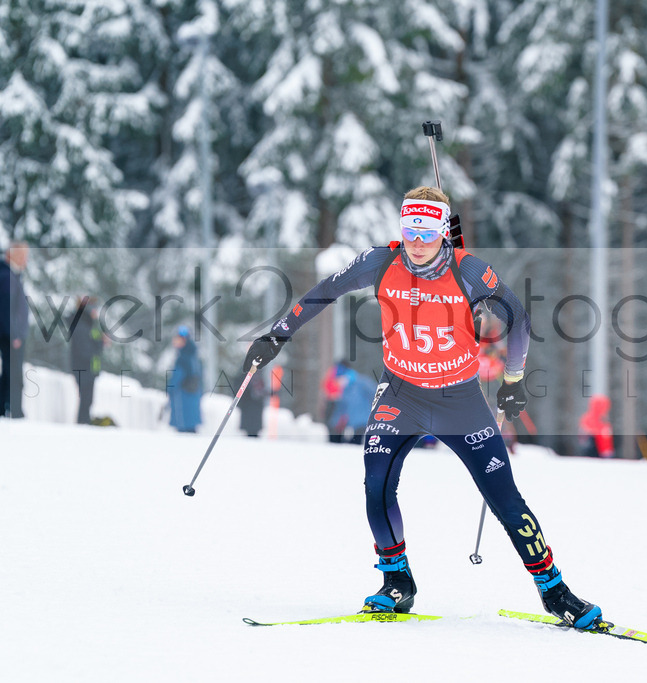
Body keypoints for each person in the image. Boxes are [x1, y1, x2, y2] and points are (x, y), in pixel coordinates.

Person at [242, 186, 604, 629]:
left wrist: (512, 380)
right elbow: (325, 291)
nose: (417, 238)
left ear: (443, 232)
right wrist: (277, 335)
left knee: (506, 500)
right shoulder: (380, 262)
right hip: (400, 395)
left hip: (461, 401)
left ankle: (556, 592)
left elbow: (519, 318)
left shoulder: (468, 270)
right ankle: (397, 582)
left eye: (428, 228)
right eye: (410, 226)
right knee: (376, 484)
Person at [1, 242, 29, 418]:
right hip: (11, 335)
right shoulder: (7, 276)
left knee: (12, 372)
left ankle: (12, 408)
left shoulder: (12, 275)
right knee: (13, 374)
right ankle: (13, 409)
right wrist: (14, 334)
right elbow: (6, 308)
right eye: (23, 255)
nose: (26, 260)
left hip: (12, 334)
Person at [69, 297, 104, 425]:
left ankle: (84, 422)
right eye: (94, 309)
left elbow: (92, 345)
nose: (96, 313)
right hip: (83, 367)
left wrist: (100, 342)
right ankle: (82, 423)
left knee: (87, 399)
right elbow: (85, 349)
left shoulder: (88, 325)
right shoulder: (81, 325)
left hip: (89, 369)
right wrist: (100, 343)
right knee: (85, 399)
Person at [322, 360, 375, 444]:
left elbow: (375, 394)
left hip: (362, 421)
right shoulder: (342, 387)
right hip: (349, 421)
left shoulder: (361, 382)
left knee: (354, 444)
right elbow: (341, 405)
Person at [167, 325, 203, 433]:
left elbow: (176, 378)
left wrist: (169, 389)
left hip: (183, 398)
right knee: (191, 428)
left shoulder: (182, 358)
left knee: (184, 430)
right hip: (193, 396)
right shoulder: (194, 356)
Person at [237, 372, 266, 438]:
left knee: (255, 429)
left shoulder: (259, 375)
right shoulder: (244, 374)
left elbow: (261, 389)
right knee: (249, 429)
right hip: (248, 405)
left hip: (256, 406)